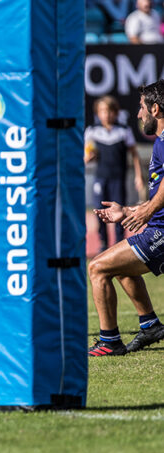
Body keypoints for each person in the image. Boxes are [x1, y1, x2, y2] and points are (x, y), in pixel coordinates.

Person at [88, 79, 164, 356]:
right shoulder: (161, 142)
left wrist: (146, 210)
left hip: (161, 232)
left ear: (155, 109)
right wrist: (130, 211)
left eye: (142, 107)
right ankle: (150, 325)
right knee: (118, 265)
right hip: (157, 227)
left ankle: (109, 341)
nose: (138, 113)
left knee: (96, 268)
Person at [85, 95, 145, 253]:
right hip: (100, 178)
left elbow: (134, 154)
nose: (106, 114)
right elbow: (87, 155)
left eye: (110, 111)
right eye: (103, 111)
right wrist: (89, 158)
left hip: (118, 178)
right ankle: (103, 243)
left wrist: (139, 176)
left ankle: (120, 243)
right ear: (98, 113)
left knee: (119, 211)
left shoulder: (124, 131)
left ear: (116, 113)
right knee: (99, 210)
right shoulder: (93, 132)